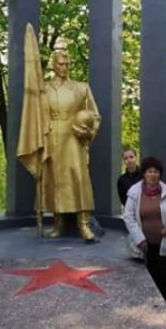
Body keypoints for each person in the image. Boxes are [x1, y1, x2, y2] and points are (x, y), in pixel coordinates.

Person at [19, 49, 101, 241]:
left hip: (73, 135)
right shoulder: (44, 89)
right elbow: (37, 114)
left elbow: (94, 114)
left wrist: (88, 131)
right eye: (61, 64)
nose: (65, 67)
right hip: (52, 134)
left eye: (67, 63)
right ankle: (58, 223)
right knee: (54, 179)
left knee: (78, 177)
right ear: (53, 65)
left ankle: (84, 225)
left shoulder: (81, 88)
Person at [123, 157, 166, 312]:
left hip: (164, 242)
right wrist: (139, 239)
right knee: (148, 278)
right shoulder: (134, 192)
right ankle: (148, 309)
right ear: (144, 173)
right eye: (150, 171)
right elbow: (128, 216)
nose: (153, 175)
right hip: (144, 244)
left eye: (156, 172)